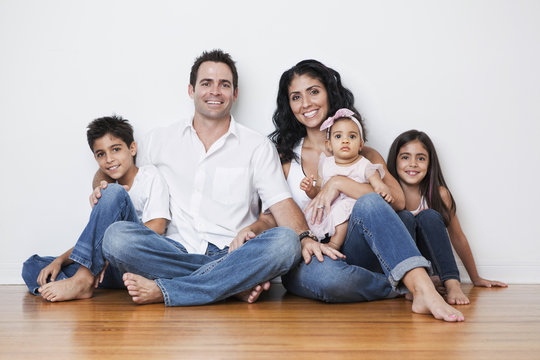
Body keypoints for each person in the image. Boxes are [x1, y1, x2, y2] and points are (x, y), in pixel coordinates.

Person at [90, 49, 311, 307]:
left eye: (224, 85)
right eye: (206, 83)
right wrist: (98, 186)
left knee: (285, 243)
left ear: (235, 93)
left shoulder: (256, 146)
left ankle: (168, 290)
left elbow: (280, 203)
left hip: (231, 252)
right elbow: (116, 167)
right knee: (116, 238)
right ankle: (230, 283)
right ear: (191, 90)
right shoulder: (158, 140)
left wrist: (304, 238)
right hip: (170, 250)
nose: (215, 91)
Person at [267, 59, 464, 322]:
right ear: (289, 105)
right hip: (313, 254)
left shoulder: (363, 152)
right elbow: (271, 216)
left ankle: (422, 289)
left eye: (314, 91)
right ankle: (404, 282)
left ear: (329, 93)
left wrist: (338, 183)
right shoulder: (284, 158)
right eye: (296, 96)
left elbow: (398, 202)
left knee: (371, 202)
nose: (306, 103)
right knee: (330, 280)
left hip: (358, 248)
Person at [21, 115, 170, 302]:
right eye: (101, 154)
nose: (109, 159)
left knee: (113, 192)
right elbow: (94, 240)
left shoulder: (149, 176)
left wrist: (112, 248)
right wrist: (59, 260)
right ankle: (81, 280)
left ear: (132, 148)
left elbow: (158, 226)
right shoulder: (105, 187)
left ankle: (83, 281)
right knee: (34, 266)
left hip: (140, 259)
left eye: (116, 149)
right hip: (115, 270)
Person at [387, 129, 507, 305]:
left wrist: (476, 278)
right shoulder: (388, 194)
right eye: (405, 157)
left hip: (432, 266)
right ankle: (413, 284)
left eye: (420, 158)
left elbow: (457, 237)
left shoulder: (439, 194)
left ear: (430, 164)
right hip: (403, 269)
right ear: (394, 161)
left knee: (428, 216)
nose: (413, 163)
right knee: (404, 217)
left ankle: (451, 284)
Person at [300, 108, 392, 251]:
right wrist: (310, 189)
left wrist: (383, 191)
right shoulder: (326, 164)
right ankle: (316, 240)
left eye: (352, 137)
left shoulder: (364, 165)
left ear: (361, 144)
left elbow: (378, 186)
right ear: (329, 144)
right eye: (338, 136)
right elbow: (319, 193)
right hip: (327, 209)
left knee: (343, 209)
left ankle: (334, 245)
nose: (345, 141)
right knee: (311, 212)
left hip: (352, 212)